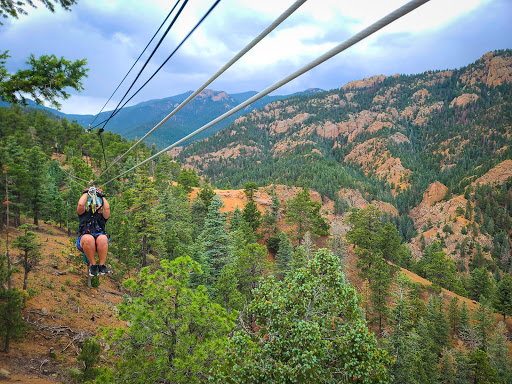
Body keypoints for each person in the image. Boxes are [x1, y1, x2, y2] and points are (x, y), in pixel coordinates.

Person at [76, 186, 110, 277]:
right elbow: (80, 205)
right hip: (85, 240)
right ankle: (93, 265)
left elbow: (107, 208)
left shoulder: (102, 217)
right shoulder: (84, 215)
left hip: (99, 239)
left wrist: (101, 196)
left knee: (103, 238)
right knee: (88, 238)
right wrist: (87, 193)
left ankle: (101, 265)